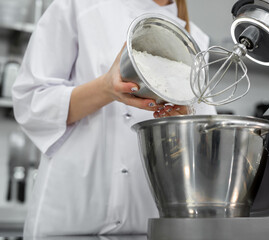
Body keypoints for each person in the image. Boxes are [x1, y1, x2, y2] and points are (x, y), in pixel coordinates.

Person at [12, 0, 216, 236]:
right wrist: (105, 89)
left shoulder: (195, 40)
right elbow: (31, 102)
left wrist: (181, 123)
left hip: (149, 225)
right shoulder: (79, 6)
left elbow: (200, 150)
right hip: (69, 221)